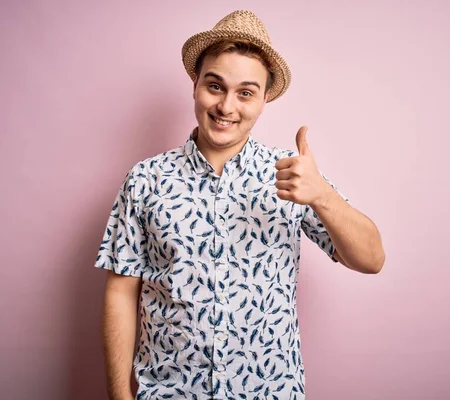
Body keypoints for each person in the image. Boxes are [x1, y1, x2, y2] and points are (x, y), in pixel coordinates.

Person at [95, 10, 385, 400]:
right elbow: (120, 292)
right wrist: (119, 396)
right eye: (215, 86)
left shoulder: (292, 175)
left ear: (265, 99)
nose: (226, 107)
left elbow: (372, 259)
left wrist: (323, 196)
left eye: (245, 92)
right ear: (195, 84)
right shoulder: (146, 180)